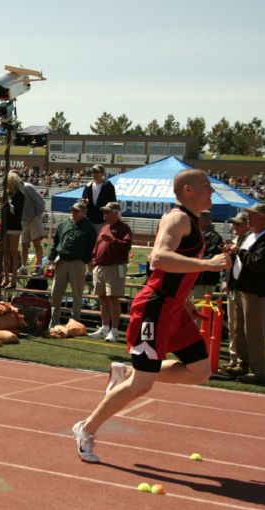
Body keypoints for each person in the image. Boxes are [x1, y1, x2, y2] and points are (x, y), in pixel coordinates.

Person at [72, 169, 231, 463]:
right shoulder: (178, 218)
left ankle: (131, 372)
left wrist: (184, 303)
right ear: (187, 190)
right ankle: (86, 428)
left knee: (200, 371)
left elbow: (175, 270)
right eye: (206, 186)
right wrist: (208, 264)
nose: (212, 191)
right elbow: (158, 258)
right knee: (142, 386)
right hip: (155, 307)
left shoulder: (193, 222)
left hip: (174, 307)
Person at [225, 203, 265, 385]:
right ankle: (242, 364)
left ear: (263, 217)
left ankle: (258, 371)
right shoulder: (249, 235)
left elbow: (259, 263)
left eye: (252, 215)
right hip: (240, 288)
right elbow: (241, 261)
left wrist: (239, 252)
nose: (249, 219)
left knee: (253, 333)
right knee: (238, 330)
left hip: (254, 292)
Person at [87, 202, 132, 342]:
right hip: (100, 267)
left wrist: (113, 241)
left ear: (116, 213)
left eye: (108, 212)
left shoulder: (124, 228)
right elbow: (97, 246)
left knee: (113, 298)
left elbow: (127, 246)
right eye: (104, 212)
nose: (104, 214)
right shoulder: (104, 227)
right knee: (102, 298)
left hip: (115, 266)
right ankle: (104, 327)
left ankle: (115, 330)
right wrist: (94, 262)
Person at [47, 202, 97, 326]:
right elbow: (56, 241)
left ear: (84, 212)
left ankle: (75, 321)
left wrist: (84, 260)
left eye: (76, 211)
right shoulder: (63, 224)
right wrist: (51, 258)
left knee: (77, 294)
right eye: (72, 210)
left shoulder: (89, 228)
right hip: (62, 261)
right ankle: (53, 320)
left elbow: (92, 246)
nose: (73, 213)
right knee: (56, 293)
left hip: (77, 263)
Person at [220, 212, 250, 373]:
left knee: (243, 327)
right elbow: (230, 264)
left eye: (238, 224)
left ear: (247, 224)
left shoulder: (251, 240)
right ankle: (234, 358)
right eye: (233, 224)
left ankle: (243, 360)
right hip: (233, 286)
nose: (234, 227)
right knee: (232, 325)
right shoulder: (236, 240)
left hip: (246, 289)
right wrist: (225, 279)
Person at [190, 210, 223, 300]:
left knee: (200, 307)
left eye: (198, 219)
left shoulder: (214, 237)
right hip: (196, 279)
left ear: (206, 220)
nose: (196, 221)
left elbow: (211, 258)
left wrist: (191, 260)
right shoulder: (199, 234)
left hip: (204, 280)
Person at [1, 172, 24, 289]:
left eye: (8, 182)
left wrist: (7, 203)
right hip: (5, 226)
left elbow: (17, 212)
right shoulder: (6, 194)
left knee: (13, 251)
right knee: (5, 251)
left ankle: (13, 279)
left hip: (15, 226)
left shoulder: (19, 195)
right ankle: (6, 278)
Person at [19, 177, 46, 275]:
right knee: (24, 244)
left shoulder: (28, 187)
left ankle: (39, 267)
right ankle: (23, 267)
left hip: (34, 218)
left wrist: (36, 215)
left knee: (36, 243)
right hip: (23, 220)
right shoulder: (13, 188)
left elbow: (41, 202)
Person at [81, 164, 117, 233]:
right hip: (90, 221)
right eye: (93, 172)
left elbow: (113, 203)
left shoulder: (108, 186)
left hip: (104, 222)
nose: (94, 174)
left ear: (102, 173)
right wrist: (84, 202)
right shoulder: (88, 186)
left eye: (97, 172)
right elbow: (83, 202)